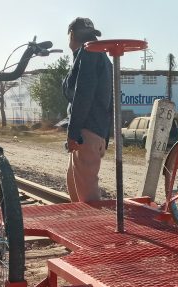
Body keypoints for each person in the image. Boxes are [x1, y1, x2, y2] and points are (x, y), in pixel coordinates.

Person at [62, 17, 113, 202]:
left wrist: (73, 132)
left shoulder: (87, 54)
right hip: (95, 130)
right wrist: (106, 136)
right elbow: (111, 100)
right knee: (76, 187)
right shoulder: (103, 58)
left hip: (86, 131)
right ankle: (80, 227)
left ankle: (96, 230)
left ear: (72, 35)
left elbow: (83, 94)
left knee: (87, 197)